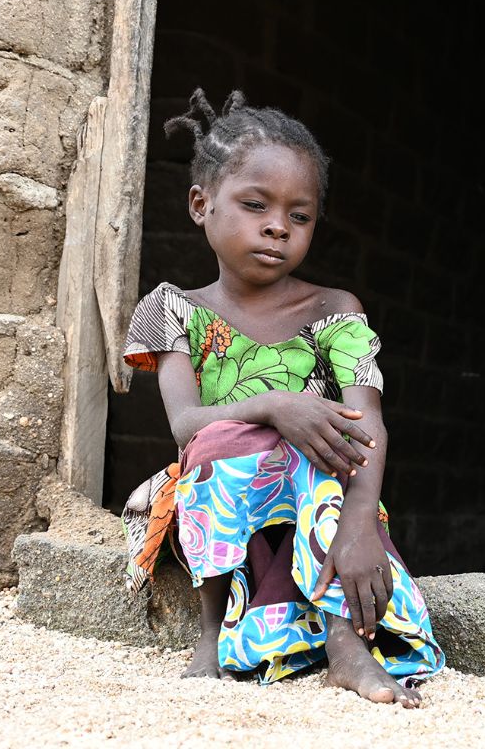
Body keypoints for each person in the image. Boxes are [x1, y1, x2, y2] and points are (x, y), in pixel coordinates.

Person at [118, 88, 443, 708]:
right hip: (224, 492)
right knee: (224, 437)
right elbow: (186, 425)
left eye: (300, 216)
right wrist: (273, 405)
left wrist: (358, 525)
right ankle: (211, 634)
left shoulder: (334, 310)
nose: (277, 226)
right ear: (200, 204)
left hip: (324, 494)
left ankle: (345, 646)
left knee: (324, 439)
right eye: (255, 205)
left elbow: (366, 422)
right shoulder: (173, 311)